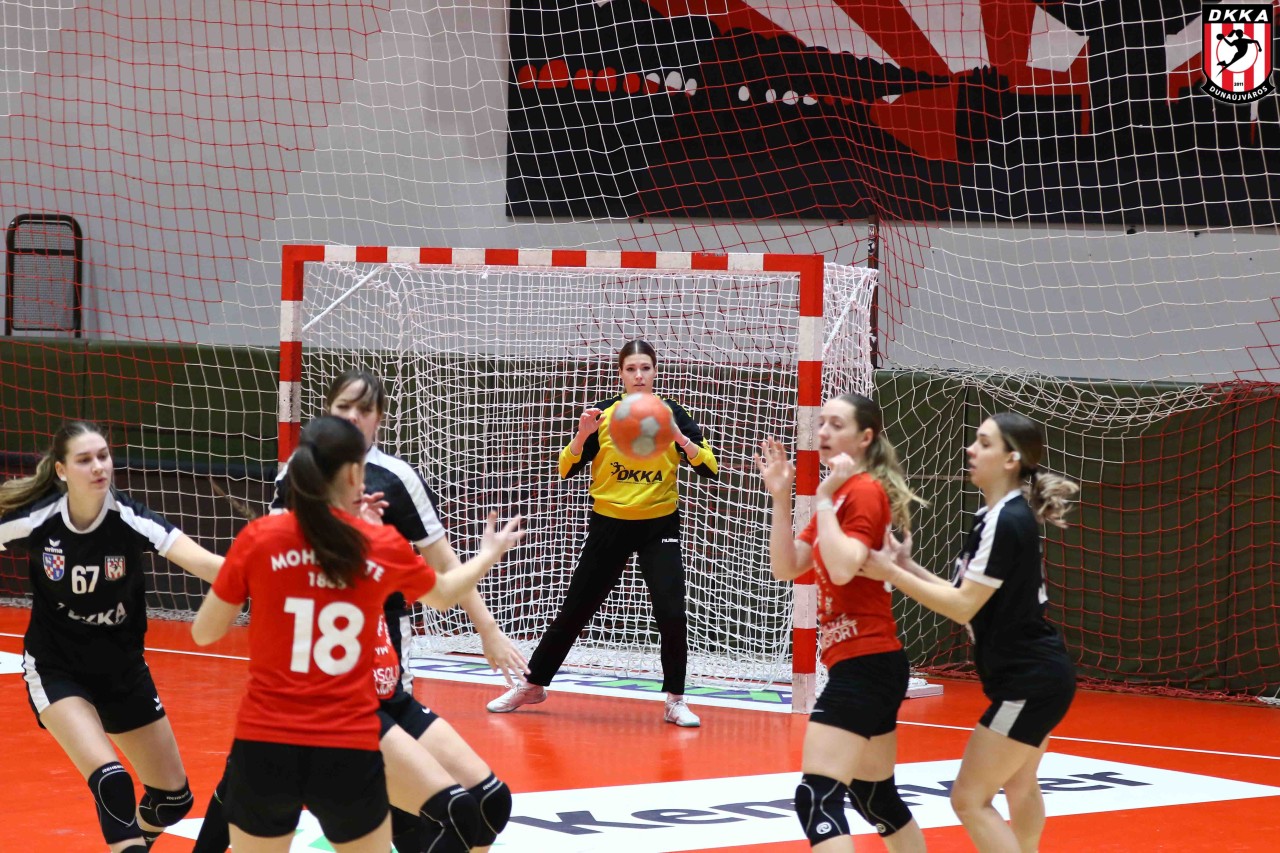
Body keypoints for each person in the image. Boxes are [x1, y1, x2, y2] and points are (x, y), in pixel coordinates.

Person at [194, 368, 521, 853]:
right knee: (450, 812)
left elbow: (205, 632)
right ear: (353, 476)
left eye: (363, 409)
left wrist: (227, 572)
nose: (352, 417)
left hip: (280, 727)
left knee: (472, 805)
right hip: (346, 734)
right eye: (343, 407)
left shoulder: (260, 539)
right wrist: (488, 555)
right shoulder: (377, 544)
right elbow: (443, 592)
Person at [0, 421, 223, 852]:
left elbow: (207, 565)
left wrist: (276, 571)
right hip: (57, 669)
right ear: (62, 470)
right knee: (112, 781)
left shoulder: (130, 519)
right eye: (85, 460)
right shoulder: (37, 521)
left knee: (172, 800)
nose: (99, 466)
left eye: (103, 456)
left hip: (122, 671)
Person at [861, 412, 1079, 853]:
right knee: (1020, 781)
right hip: (1041, 675)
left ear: (1011, 459)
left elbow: (962, 606)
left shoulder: (1006, 520)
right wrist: (906, 566)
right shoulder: (994, 515)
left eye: (984, 442)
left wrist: (891, 574)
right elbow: (968, 599)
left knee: (969, 800)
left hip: (1027, 683)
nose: (971, 449)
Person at [486, 339, 718, 727]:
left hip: (659, 525)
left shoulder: (672, 413)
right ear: (621, 374)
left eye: (645, 368)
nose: (639, 375)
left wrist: (679, 438)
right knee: (576, 608)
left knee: (671, 611)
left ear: (655, 371)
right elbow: (565, 468)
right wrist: (581, 435)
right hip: (609, 524)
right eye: (631, 369)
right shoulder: (604, 415)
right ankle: (533, 685)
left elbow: (710, 467)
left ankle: (675, 699)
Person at [754, 393, 928, 851]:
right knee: (875, 797)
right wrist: (781, 498)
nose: (824, 432)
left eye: (837, 424)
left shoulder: (861, 491)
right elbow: (787, 566)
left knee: (816, 799)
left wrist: (825, 498)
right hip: (869, 664)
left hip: (867, 664)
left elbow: (846, 566)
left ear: (865, 437)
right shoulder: (840, 495)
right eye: (822, 423)